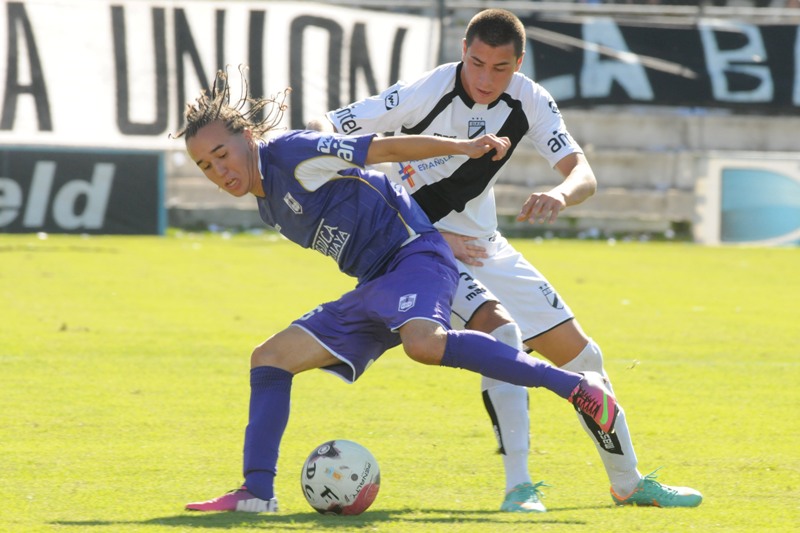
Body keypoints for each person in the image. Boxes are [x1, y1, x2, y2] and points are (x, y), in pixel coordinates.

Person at [176, 68, 619, 513]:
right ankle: (256, 493)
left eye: (221, 154)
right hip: (375, 283)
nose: (219, 170)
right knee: (269, 358)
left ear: (248, 136)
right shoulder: (266, 201)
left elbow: (384, 148)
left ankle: (577, 388)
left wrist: (462, 148)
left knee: (423, 344)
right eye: (205, 165)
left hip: (414, 256)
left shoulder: (292, 153)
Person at [309, 8, 702, 511]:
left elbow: (581, 171)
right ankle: (519, 486)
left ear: (518, 64)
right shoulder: (424, 91)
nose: (485, 78)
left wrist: (561, 195)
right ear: (463, 54)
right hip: (423, 253)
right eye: (476, 63)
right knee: (503, 334)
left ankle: (628, 483)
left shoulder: (530, 99)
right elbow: (326, 126)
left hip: (486, 246)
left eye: (500, 68)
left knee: (586, 359)